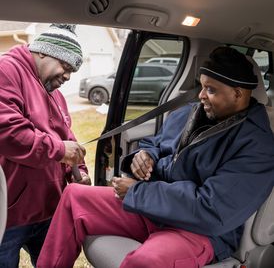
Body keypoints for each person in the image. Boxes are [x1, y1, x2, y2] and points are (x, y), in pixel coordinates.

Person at [37, 47, 274, 268]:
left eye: (211, 90)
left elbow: (212, 209)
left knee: (146, 261)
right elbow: (155, 143)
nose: (201, 95)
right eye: (202, 86)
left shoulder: (258, 146)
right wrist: (144, 155)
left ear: (238, 93)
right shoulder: (188, 114)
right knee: (74, 196)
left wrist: (137, 192)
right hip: (155, 209)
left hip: (201, 231)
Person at [0, 23, 91, 267]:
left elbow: (67, 137)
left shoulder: (54, 92)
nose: (68, 76)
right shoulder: (7, 70)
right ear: (43, 51)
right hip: (10, 212)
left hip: (50, 208)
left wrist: (79, 171)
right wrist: (60, 150)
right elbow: (7, 131)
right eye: (66, 66)